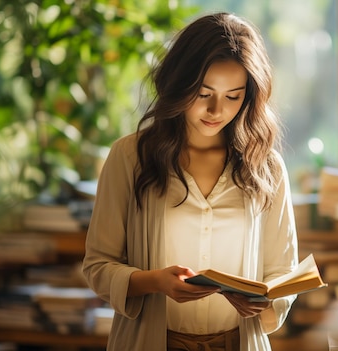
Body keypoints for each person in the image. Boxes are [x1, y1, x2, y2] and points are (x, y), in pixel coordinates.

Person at [82, 12, 299, 351]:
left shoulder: (266, 166)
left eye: (233, 96)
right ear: (179, 84)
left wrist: (265, 302)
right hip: (153, 342)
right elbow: (98, 266)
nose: (216, 110)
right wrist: (155, 281)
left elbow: (283, 271)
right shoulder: (129, 157)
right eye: (203, 93)